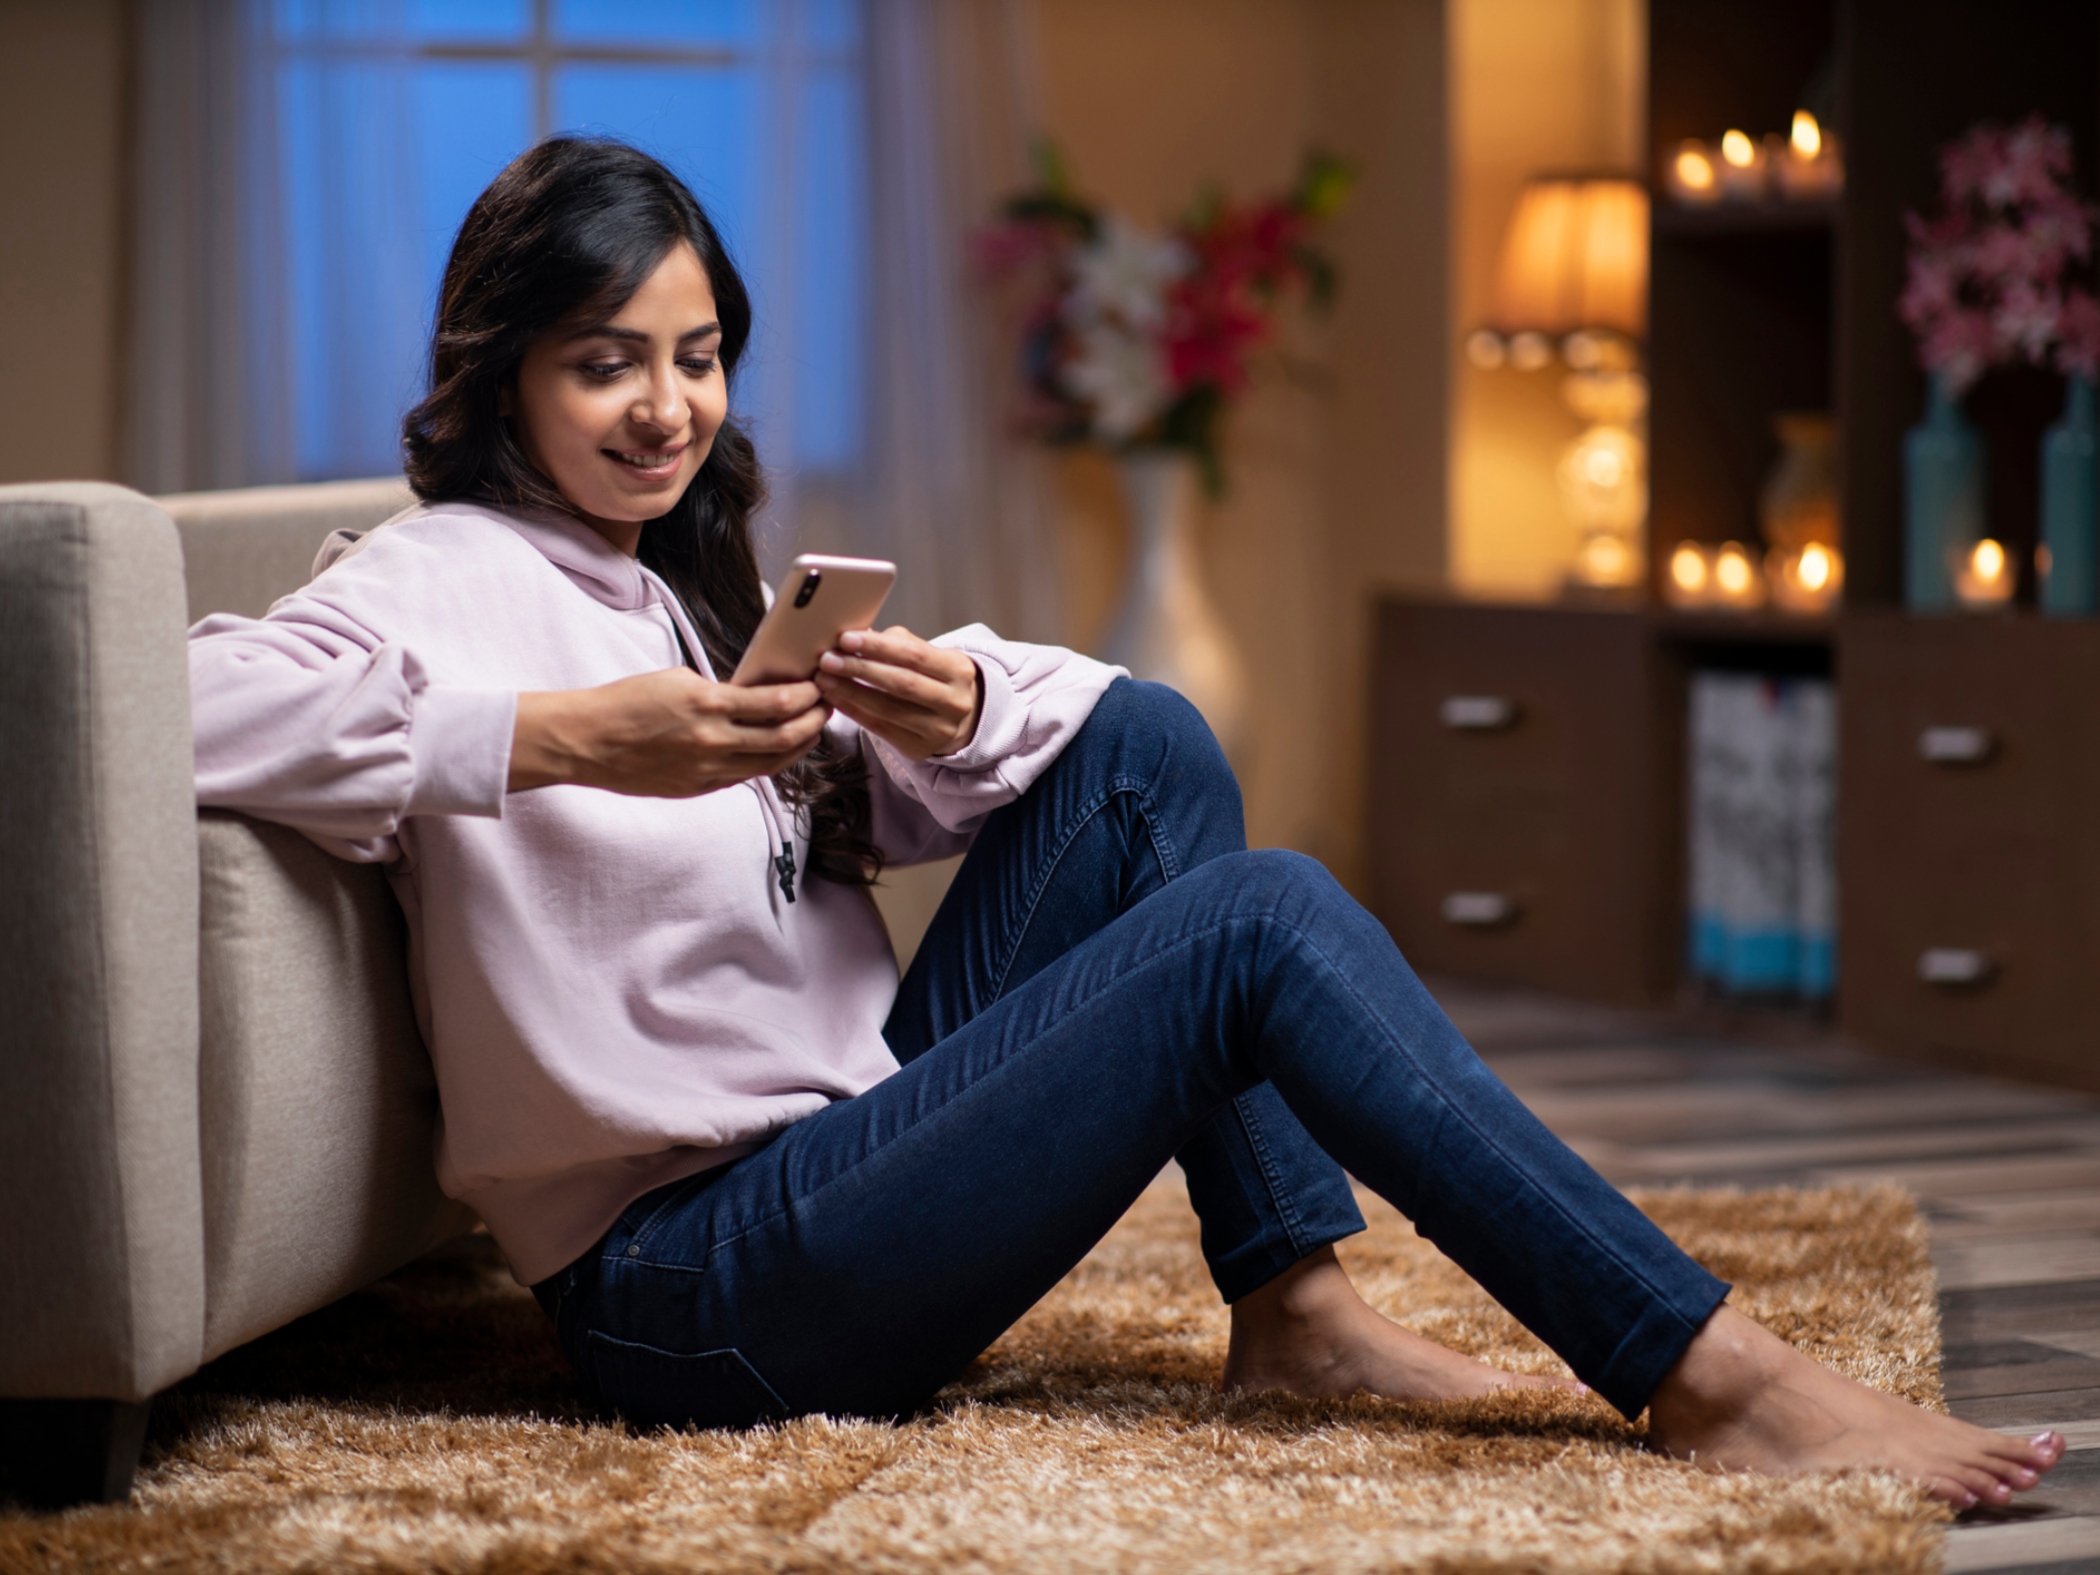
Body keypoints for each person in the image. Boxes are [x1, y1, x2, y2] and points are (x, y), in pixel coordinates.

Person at [189, 137, 2060, 1510]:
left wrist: (950, 717)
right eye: (605, 360)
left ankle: (1296, 1305)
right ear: (504, 370)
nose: (666, 406)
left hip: (834, 1151)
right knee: (1258, 921)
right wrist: (556, 739)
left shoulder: (666, 585)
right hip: (693, 1295)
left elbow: (851, 841)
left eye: (697, 353)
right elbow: (181, 702)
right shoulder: (430, 575)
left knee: (1146, 744)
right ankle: (1712, 1372)